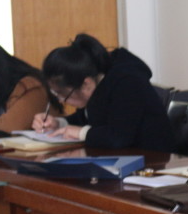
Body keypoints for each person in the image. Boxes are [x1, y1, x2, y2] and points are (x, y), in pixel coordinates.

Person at [32, 33, 176, 151]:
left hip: (152, 161)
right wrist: (59, 123)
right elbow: (87, 117)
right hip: (122, 158)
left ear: (86, 83)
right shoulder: (99, 81)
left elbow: (118, 137)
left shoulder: (127, 82)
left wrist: (81, 133)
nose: (61, 100)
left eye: (64, 95)